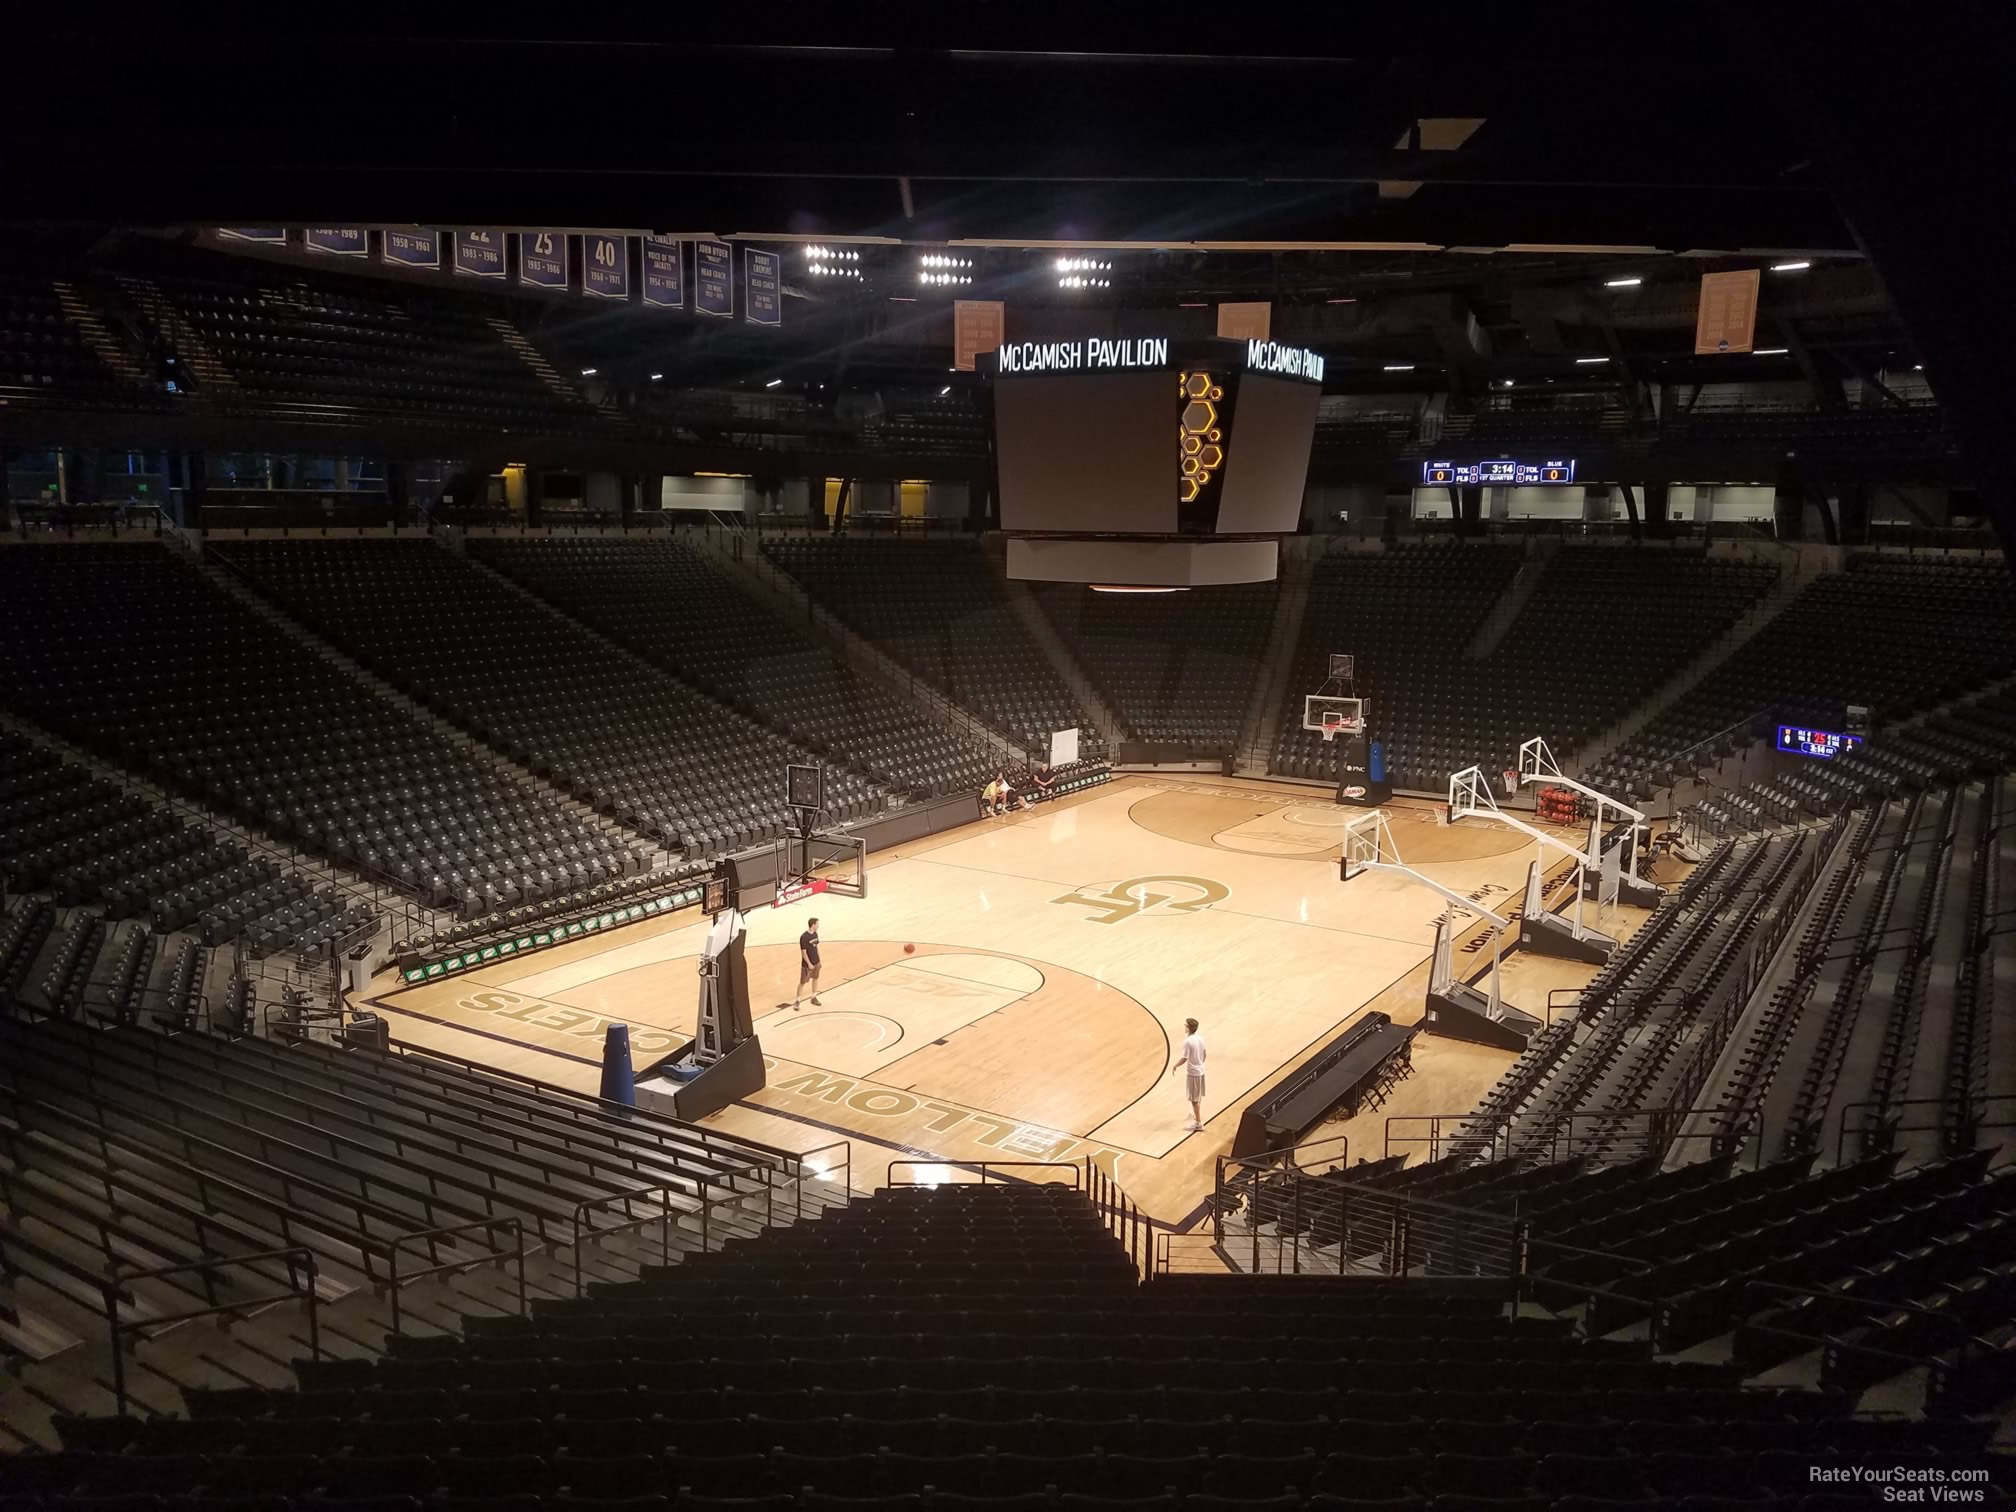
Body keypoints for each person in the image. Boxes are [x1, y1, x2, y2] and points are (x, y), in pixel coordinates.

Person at [1169, 1017, 1207, 1132]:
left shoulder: (1188, 1042)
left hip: (1193, 1073)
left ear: (1188, 1028)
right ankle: (1197, 1117)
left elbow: (1184, 1058)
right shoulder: (1201, 1038)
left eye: (1185, 1025)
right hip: (1201, 1070)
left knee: (1194, 1100)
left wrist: (1175, 1065)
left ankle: (1198, 1123)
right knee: (1198, 1097)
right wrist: (1199, 1063)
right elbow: (1205, 1054)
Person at [793, 917, 822, 1009]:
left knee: (816, 978)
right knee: (802, 982)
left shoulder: (815, 934)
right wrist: (809, 964)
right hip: (807, 965)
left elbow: (816, 948)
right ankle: (797, 1001)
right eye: (817, 924)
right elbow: (803, 952)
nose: (818, 926)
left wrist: (819, 961)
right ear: (813, 925)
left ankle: (813, 997)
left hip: (816, 962)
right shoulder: (804, 937)